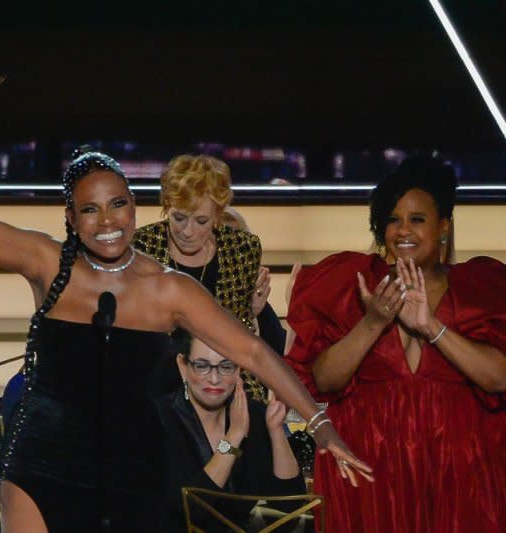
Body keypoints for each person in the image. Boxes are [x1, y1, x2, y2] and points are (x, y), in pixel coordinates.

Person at [0, 100, 371, 533]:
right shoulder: (48, 262)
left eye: (117, 204)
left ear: (134, 206)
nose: (106, 220)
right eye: (90, 209)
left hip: (132, 470)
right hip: (40, 459)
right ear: (71, 218)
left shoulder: (167, 289)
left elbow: (251, 351)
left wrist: (319, 423)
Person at [286, 155, 506, 532]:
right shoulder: (352, 283)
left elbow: (498, 379)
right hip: (369, 472)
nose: (403, 230)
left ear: (443, 227)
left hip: (460, 475)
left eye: (417, 219)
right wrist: (373, 322)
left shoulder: (480, 286)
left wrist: (431, 325)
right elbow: (323, 380)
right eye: (393, 219)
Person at [133, 154, 285, 401]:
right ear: (166, 208)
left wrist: (253, 313)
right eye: (178, 217)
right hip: (158, 381)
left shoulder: (241, 249)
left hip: (225, 378)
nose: (187, 231)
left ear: (218, 214)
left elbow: (242, 333)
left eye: (201, 220)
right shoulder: (142, 246)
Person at [156, 329, 305, 532]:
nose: (215, 379)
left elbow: (292, 509)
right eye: (202, 366)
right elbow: (190, 512)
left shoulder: (255, 416)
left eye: (226, 366)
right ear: (183, 366)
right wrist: (233, 437)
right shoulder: (161, 419)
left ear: (238, 369)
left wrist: (276, 431)